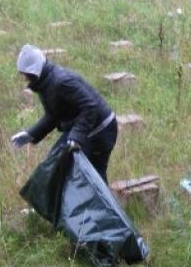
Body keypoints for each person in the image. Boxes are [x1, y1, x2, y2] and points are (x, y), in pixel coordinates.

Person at [10, 45, 118, 184]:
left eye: (25, 74)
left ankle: (101, 206)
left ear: (34, 72)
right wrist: (31, 133)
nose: (24, 78)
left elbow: (90, 106)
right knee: (55, 166)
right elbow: (53, 115)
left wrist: (76, 137)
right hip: (86, 126)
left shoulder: (61, 82)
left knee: (91, 178)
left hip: (101, 128)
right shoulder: (45, 83)